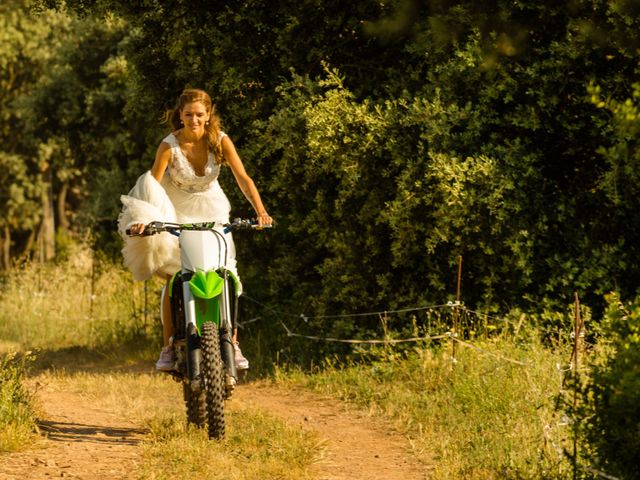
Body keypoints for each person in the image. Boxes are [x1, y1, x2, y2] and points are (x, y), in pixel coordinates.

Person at [118, 88, 272, 371]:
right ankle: (166, 347)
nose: (194, 120)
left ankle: (233, 341)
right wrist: (144, 219)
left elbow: (243, 178)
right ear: (180, 115)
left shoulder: (220, 141)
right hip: (177, 213)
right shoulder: (168, 146)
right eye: (188, 114)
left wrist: (260, 211)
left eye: (200, 114)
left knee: (226, 273)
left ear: (208, 115)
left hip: (214, 212)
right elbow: (152, 186)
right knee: (175, 276)